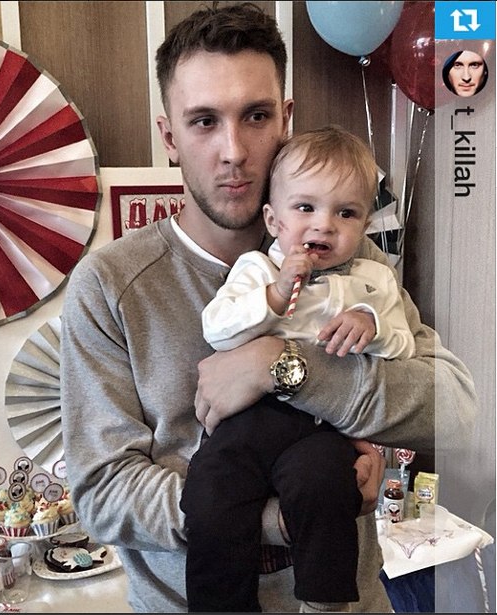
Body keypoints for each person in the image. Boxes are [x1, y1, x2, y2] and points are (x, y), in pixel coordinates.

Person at [60, 3, 478, 613]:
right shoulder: (110, 285)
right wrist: (287, 517)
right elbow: (102, 494)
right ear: (170, 137)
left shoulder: (347, 256)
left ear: (285, 120)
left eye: (255, 116)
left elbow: (457, 409)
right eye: (204, 121)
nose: (233, 150)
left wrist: (284, 367)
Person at [182, 125, 416, 613]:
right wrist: (273, 295)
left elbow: (404, 347)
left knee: (326, 486)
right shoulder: (257, 269)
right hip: (250, 420)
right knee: (210, 489)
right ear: (273, 219)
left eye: (346, 213)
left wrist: (370, 323)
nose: (324, 225)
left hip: (322, 424)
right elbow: (217, 329)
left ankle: (326, 604)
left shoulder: (374, 279)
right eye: (305, 208)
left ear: (364, 224)